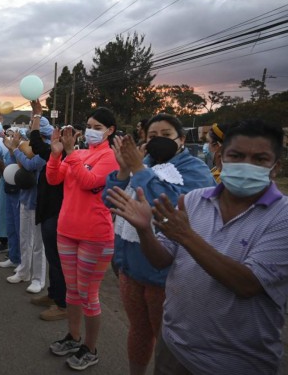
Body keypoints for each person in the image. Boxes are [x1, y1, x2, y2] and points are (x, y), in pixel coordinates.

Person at [106, 119, 288, 375]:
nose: (245, 165)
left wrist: (185, 235)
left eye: (259, 159)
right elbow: (163, 257)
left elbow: (247, 284)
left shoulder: (282, 217)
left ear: (275, 167)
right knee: (141, 330)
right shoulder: (194, 201)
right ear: (220, 157)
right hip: (175, 349)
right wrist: (145, 229)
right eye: (236, 155)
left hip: (237, 362)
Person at [104, 113, 216, 375]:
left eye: (166, 135)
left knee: (168, 341)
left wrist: (139, 171)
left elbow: (171, 209)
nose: (158, 141)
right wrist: (123, 170)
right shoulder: (142, 163)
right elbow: (110, 203)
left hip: (167, 274)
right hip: (131, 267)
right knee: (139, 331)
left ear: (181, 140)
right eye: (153, 136)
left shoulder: (195, 170)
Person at [46, 107, 120, 370]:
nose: (91, 130)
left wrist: (69, 154)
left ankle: (90, 347)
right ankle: (73, 336)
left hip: (95, 236)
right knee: (73, 291)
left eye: (98, 127)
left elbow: (89, 182)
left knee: (89, 294)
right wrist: (56, 156)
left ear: (110, 131)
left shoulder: (111, 157)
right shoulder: (79, 154)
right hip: (67, 231)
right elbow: (54, 178)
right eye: (89, 125)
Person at [28, 101, 67, 321]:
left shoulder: (71, 158)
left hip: (59, 214)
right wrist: (36, 115)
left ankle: (63, 304)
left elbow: (36, 143)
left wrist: (37, 116)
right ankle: (53, 295)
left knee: (59, 259)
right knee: (53, 258)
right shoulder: (53, 155)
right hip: (47, 212)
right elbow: (35, 143)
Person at [5, 129, 47, 294]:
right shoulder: (28, 149)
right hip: (25, 199)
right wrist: (12, 148)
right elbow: (21, 165)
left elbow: (30, 164)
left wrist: (15, 149)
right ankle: (24, 271)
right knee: (24, 238)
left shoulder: (46, 151)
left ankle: (38, 279)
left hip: (38, 202)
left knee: (38, 244)